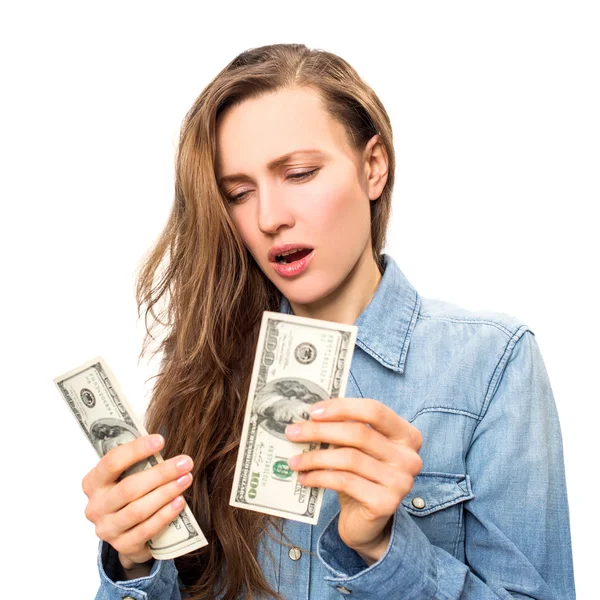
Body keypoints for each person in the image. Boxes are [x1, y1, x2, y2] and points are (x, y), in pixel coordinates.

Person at [82, 44, 575, 599]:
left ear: (373, 167)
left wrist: (383, 546)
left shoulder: (491, 364)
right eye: (239, 193)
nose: (269, 217)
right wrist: (132, 562)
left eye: (299, 173)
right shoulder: (205, 365)